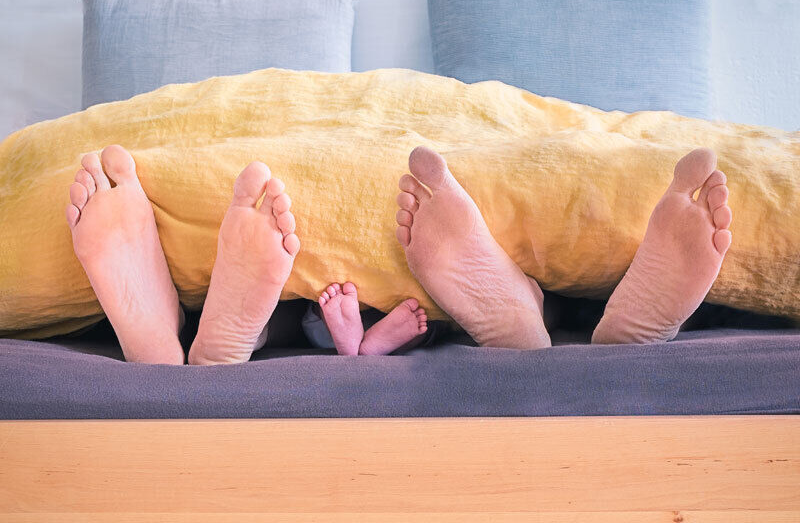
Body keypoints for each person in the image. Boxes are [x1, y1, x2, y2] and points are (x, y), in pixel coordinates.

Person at [64, 144, 731, 364]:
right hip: (409, 315)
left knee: (292, 303)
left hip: (329, 320)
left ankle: (174, 341)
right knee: (547, 297)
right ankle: (539, 322)